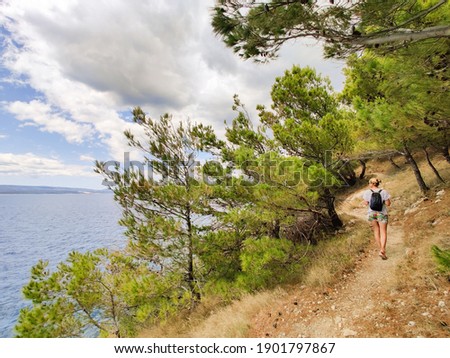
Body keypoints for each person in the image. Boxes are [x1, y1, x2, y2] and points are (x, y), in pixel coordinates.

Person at [362, 178, 391, 260]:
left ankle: (381, 249)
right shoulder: (383, 191)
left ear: (371, 183)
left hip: (372, 214)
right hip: (382, 213)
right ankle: (382, 250)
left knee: (376, 231)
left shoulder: (367, 192)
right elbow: (388, 204)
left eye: (369, 183)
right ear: (378, 183)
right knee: (383, 232)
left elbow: (366, 203)